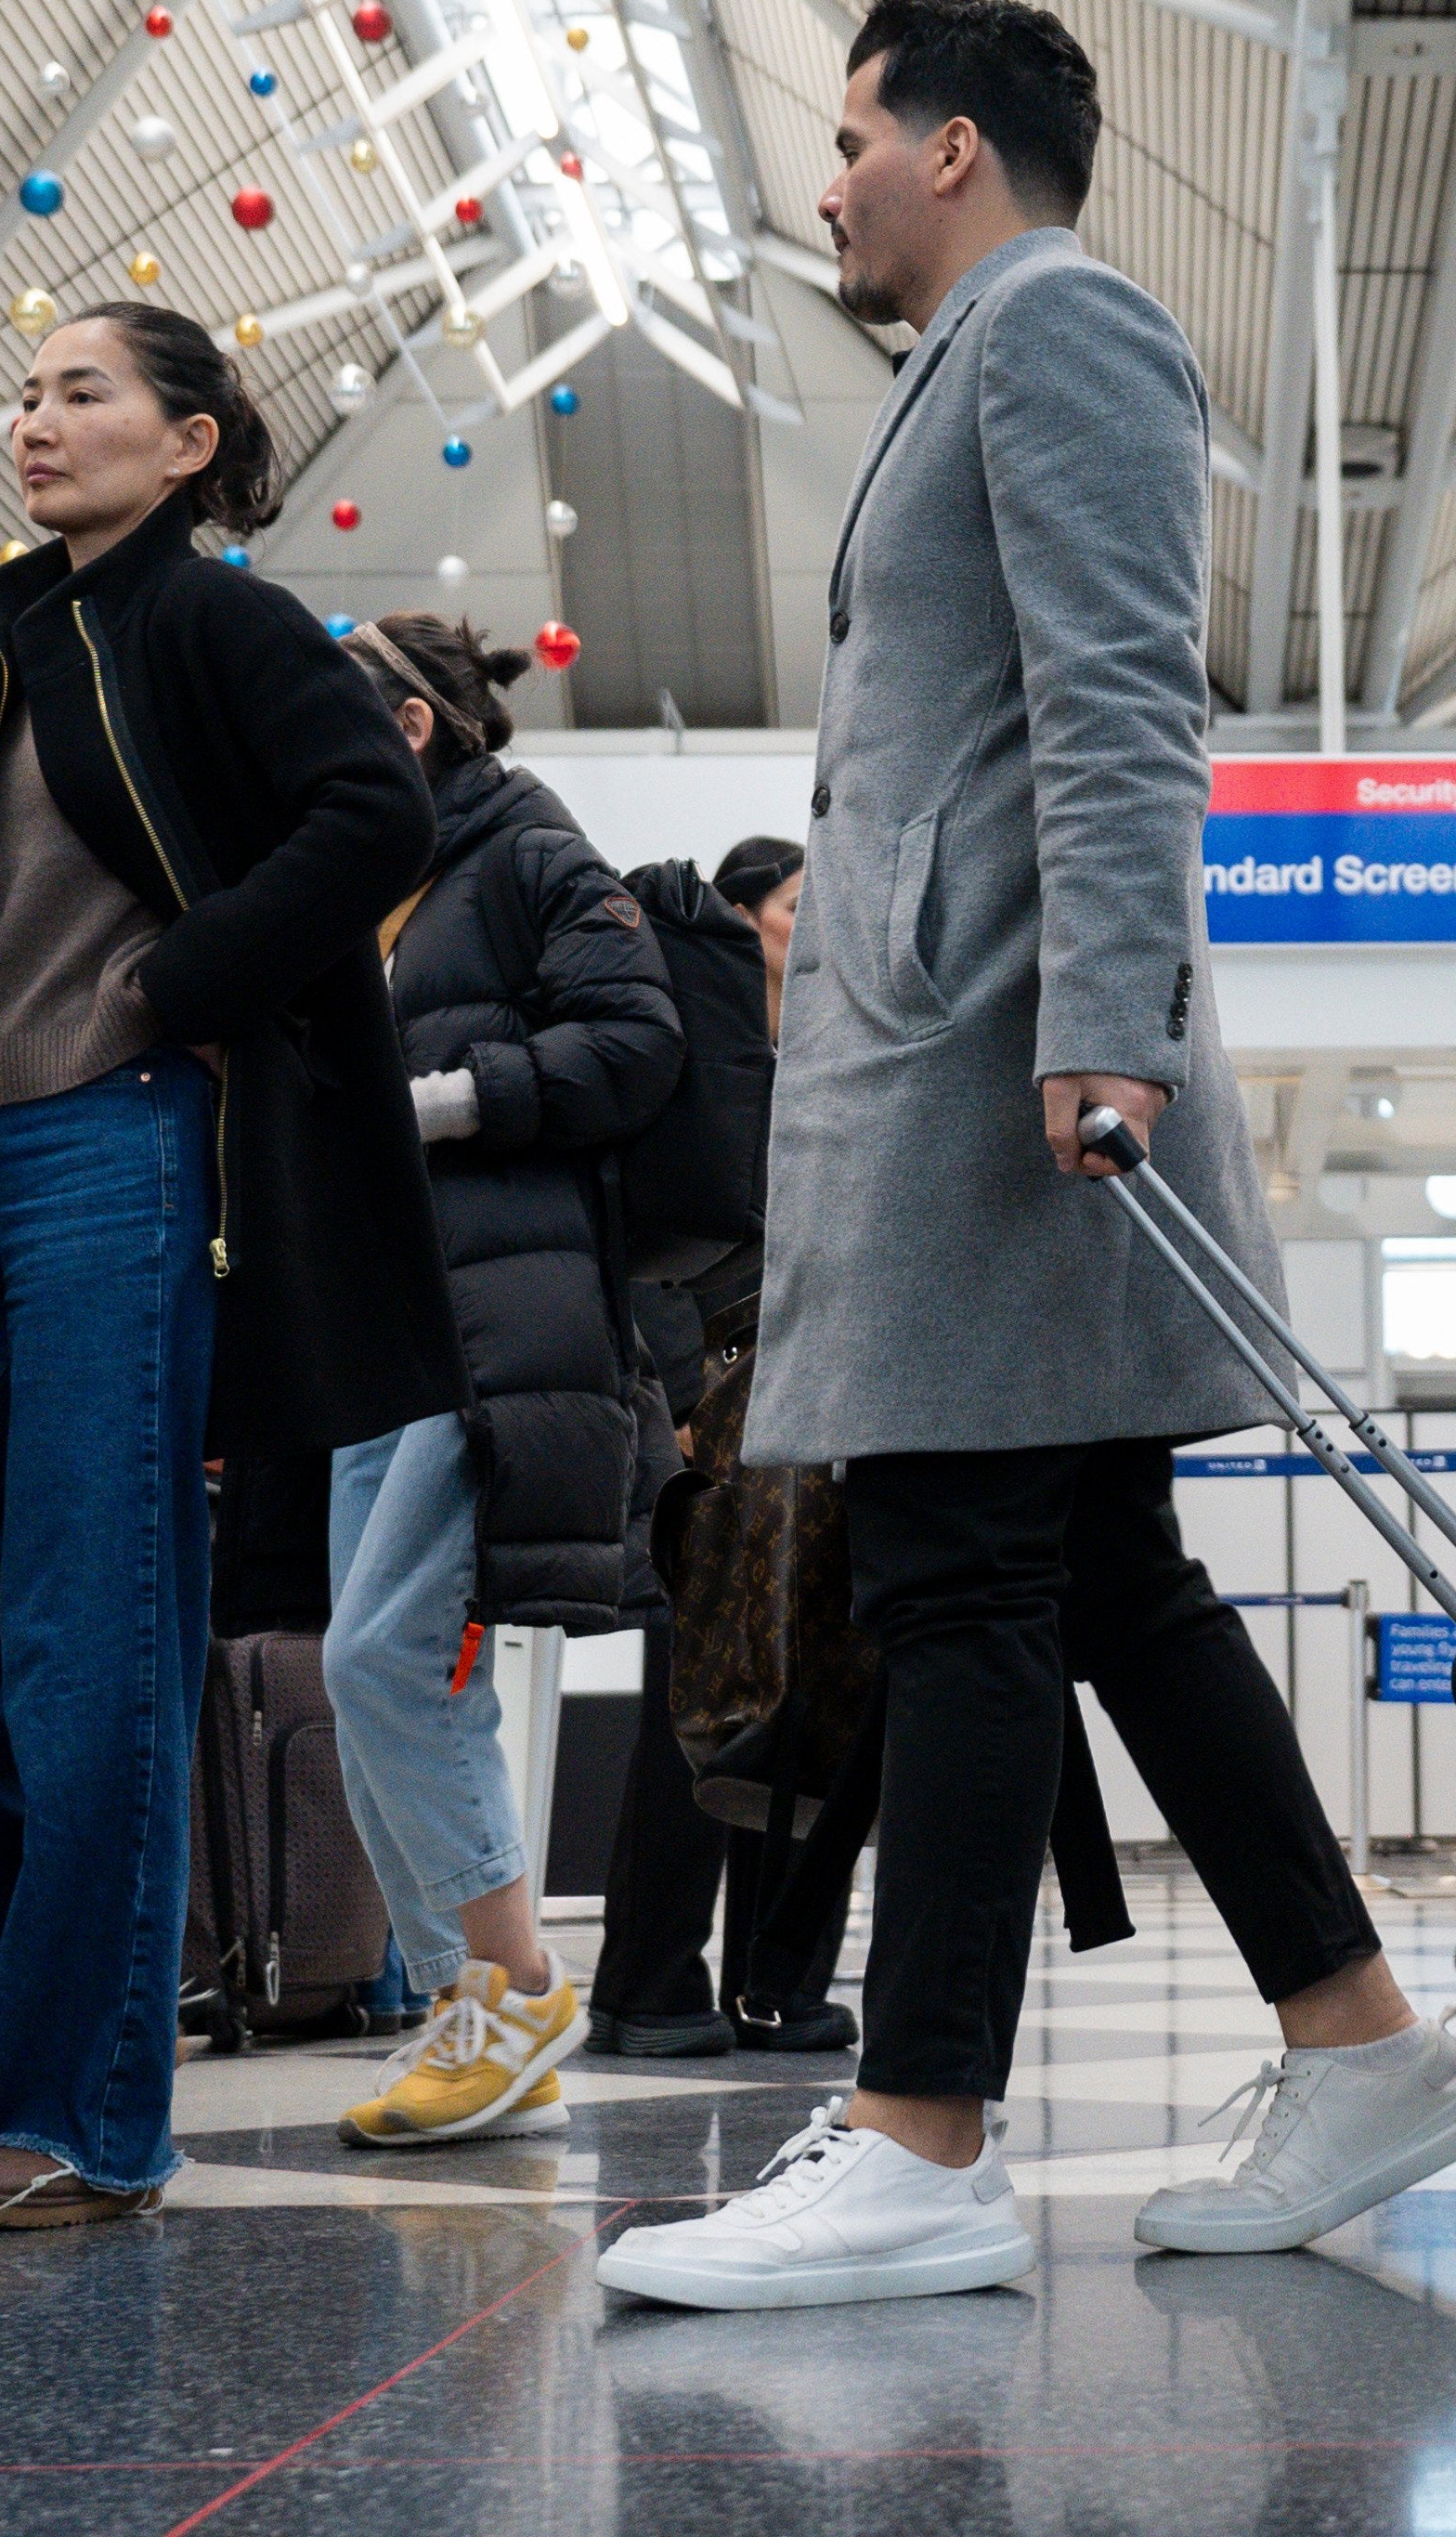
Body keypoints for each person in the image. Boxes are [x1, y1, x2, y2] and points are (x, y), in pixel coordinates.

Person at [591, 0, 1456, 2310]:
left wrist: (1103, 1021)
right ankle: (1362, 2038)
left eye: (850, 138)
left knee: (957, 1565)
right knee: (1100, 1565)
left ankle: (918, 2132)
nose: (826, 183)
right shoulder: (977, 350)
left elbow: (1123, 689)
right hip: (977, 1039)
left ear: (958, 147)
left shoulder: (1059, 324)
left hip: (1012, 1058)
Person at [0, 303, 449, 2233]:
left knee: (89, 1637)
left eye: (86, 392)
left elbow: (376, 807)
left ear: (188, 442)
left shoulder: (212, 614)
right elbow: (18, 936)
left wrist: (180, 986)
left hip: (123, 1156)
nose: (38, 418)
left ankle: (75, 2105)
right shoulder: (30, 639)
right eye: (28, 389)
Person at [324, 610, 685, 2149]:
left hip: (496, 1320)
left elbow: (636, 1038)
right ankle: (457, 1995)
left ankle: (514, 1977)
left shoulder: (526, 849)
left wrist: (444, 1102)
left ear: (407, 724)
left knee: (382, 1654)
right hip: (376, 1317)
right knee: (394, 1670)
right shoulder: (361, 888)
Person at [588, 832, 881, 2062]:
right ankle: (649, 1985)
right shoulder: (696, 1056)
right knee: (697, 1702)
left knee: (825, 1700)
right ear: (746, 919)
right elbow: (647, 1237)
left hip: (828, 1403)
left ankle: (779, 1987)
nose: (820, 930)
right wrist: (688, 1386)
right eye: (798, 905)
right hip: (720, 1409)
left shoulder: (837, 1062)